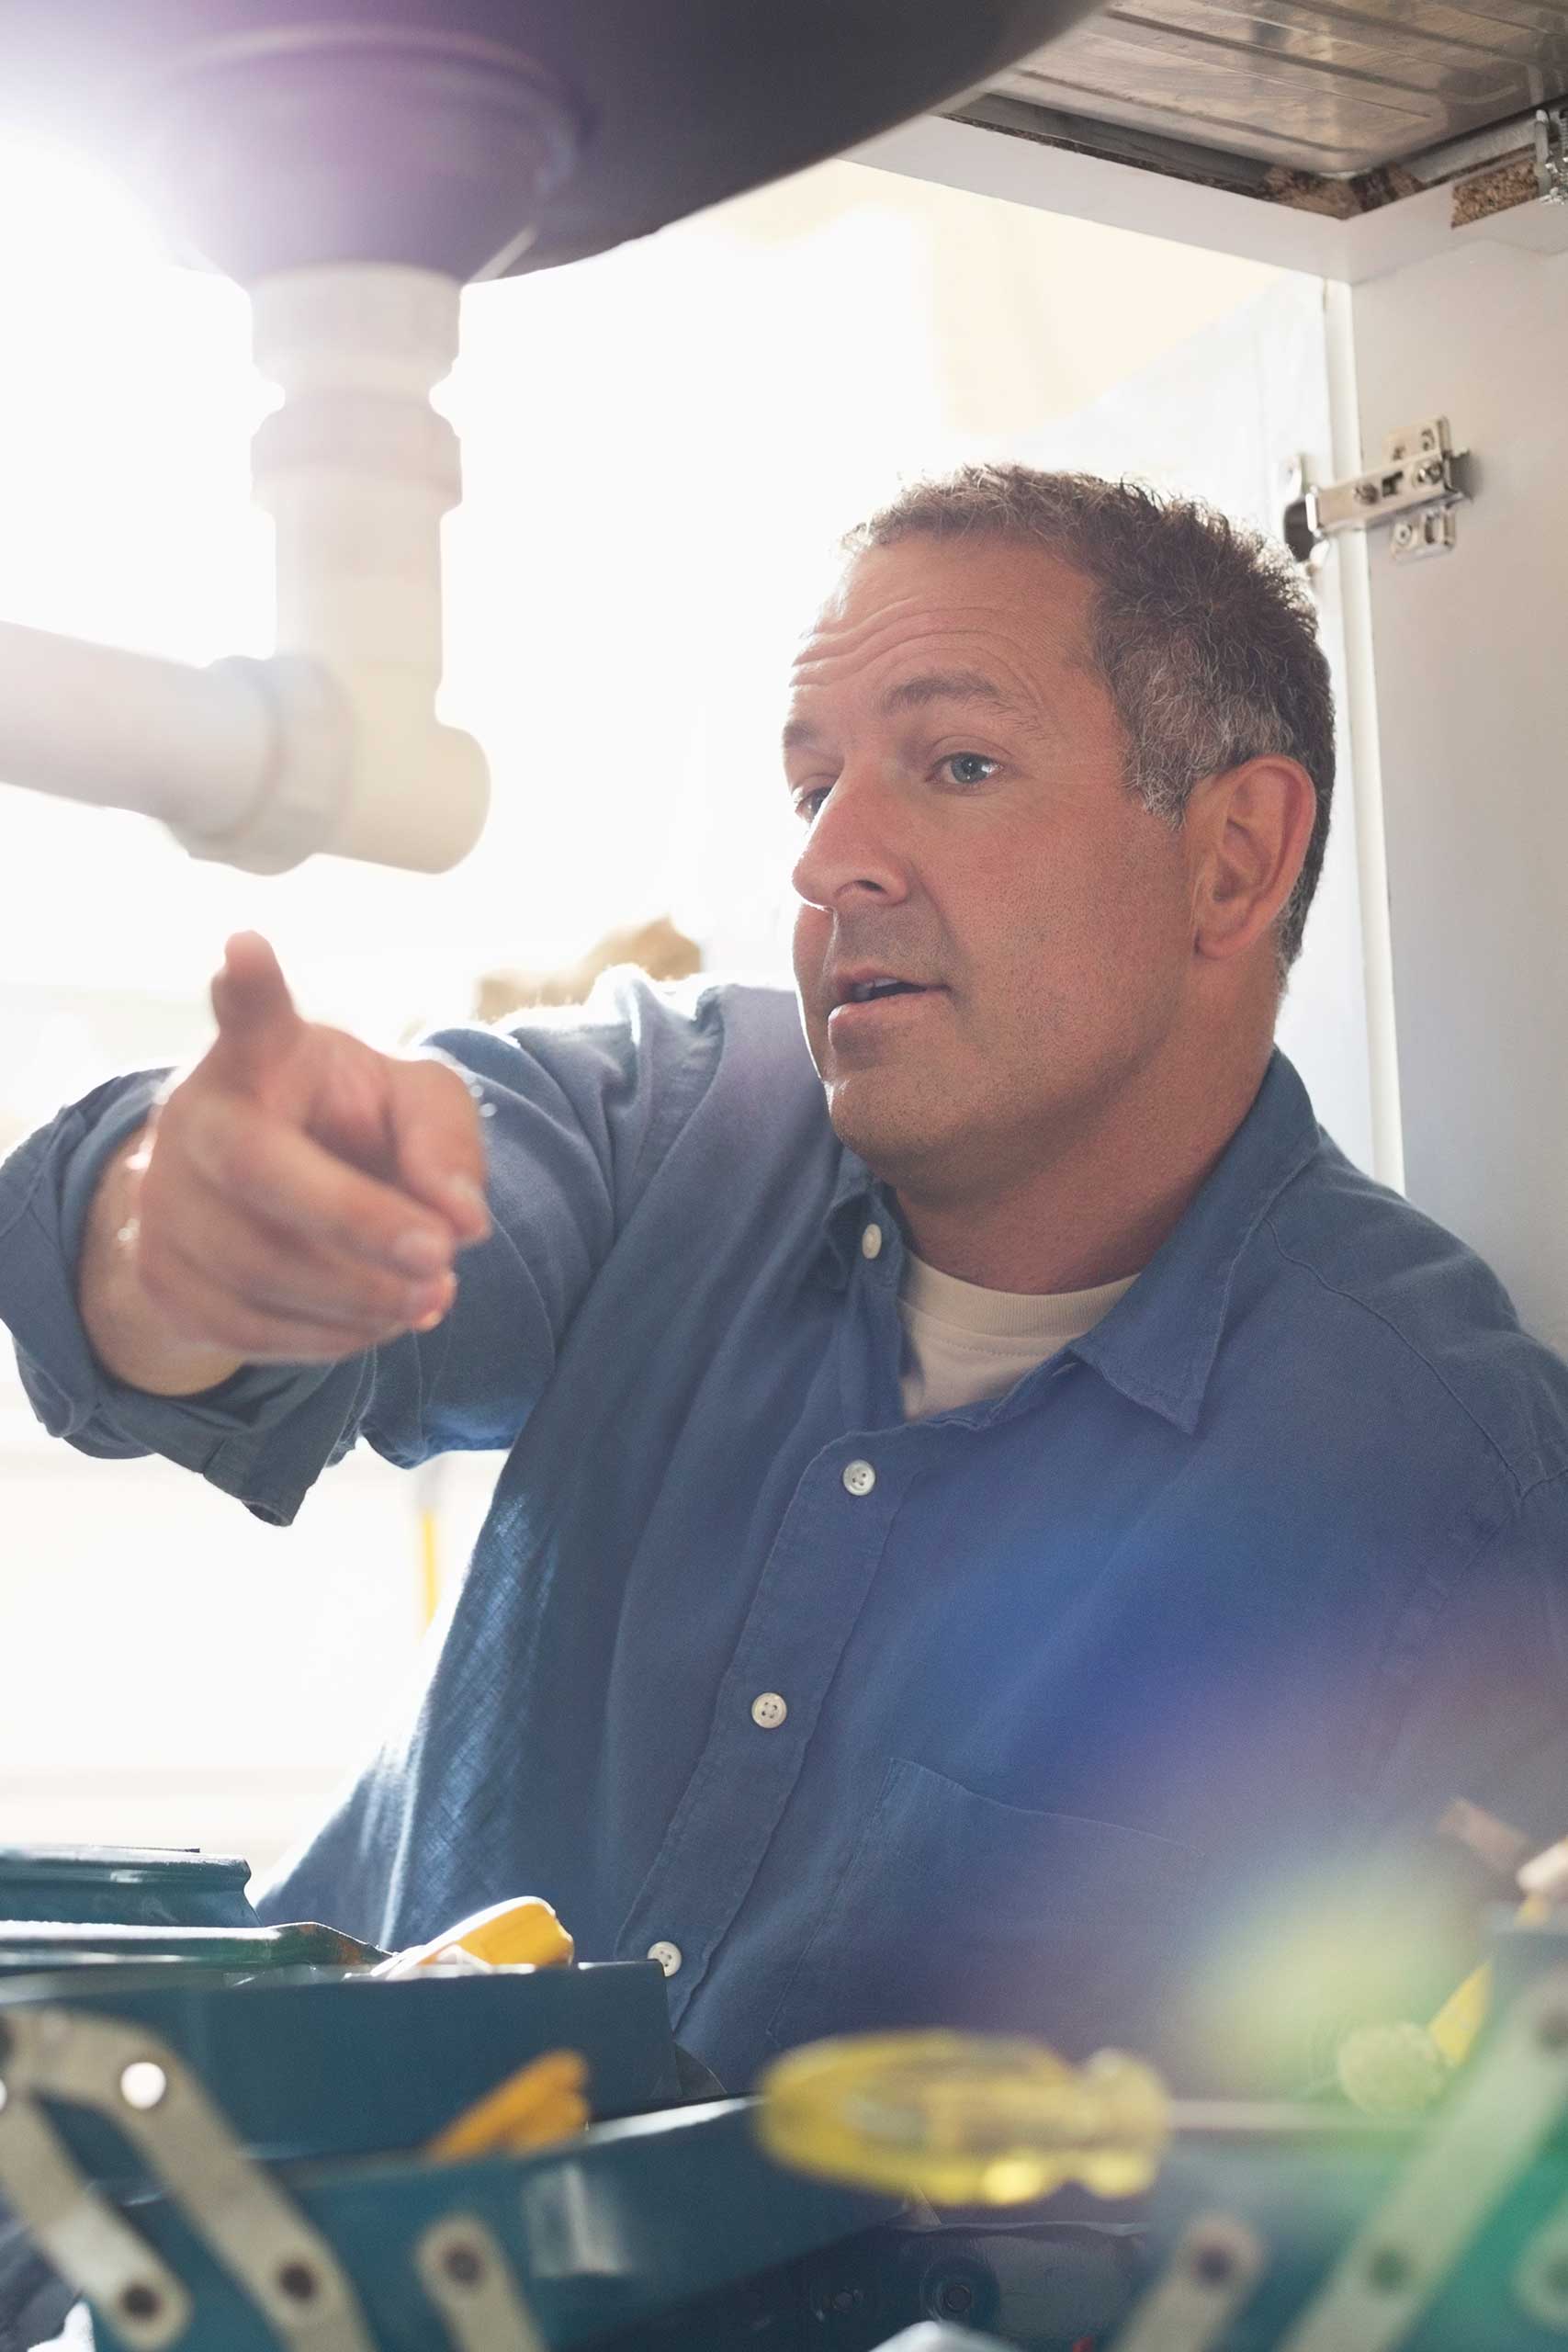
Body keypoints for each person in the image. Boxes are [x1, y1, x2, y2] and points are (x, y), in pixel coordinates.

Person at [2, 464, 1565, 2099]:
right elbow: (300, 1232)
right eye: (813, 789)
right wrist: (170, 1237)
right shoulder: (674, 1119)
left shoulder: (1440, 1480)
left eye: (958, 765)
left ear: (1235, 860)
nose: (831, 866)